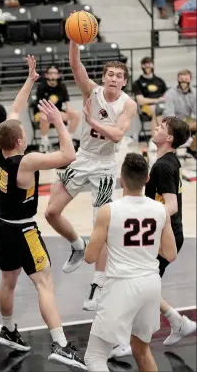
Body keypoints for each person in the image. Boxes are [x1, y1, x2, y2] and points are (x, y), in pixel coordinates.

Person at [0, 55, 86, 369]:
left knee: (8, 280)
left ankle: (8, 328)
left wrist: (30, 80)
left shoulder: (0, 148)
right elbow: (68, 155)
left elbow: (15, 111)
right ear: (20, 140)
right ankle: (61, 345)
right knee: (44, 283)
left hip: (1, 224)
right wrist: (60, 122)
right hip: (23, 228)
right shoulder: (25, 160)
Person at [45, 39, 137, 311]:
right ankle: (76, 244)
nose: (113, 78)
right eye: (110, 74)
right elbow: (75, 64)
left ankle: (98, 285)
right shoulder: (91, 91)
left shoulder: (127, 105)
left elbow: (118, 134)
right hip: (82, 156)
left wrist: (93, 121)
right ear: (104, 77)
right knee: (51, 212)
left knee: (103, 229)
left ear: (123, 82)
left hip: (106, 166)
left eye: (119, 76)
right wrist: (74, 40)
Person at [112, 116, 196, 359]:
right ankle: (178, 322)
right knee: (142, 287)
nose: (155, 127)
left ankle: (127, 340)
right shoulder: (164, 162)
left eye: (161, 127)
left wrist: (143, 214)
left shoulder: (163, 166)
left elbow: (171, 205)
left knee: (137, 287)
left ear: (169, 138)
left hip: (166, 237)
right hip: (162, 234)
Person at [84, 152, 177, 372]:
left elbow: (89, 256)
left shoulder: (109, 211)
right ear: (147, 179)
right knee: (141, 349)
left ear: (121, 178)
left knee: (95, 358)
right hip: (151, 285)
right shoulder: (160, 210)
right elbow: (170, 253)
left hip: (122, 285)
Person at [34, 65, 80, 152]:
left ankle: (68, 139)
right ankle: (44, 141)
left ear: (58, 75)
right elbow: (39, 105)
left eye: (55, 73)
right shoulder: (41, 87)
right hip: (42, 112)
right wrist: (48, 112)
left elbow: (68, 104)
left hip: (57, 112)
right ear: (46, 75)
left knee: (76, 114)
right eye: (50, 73)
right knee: (44, 115)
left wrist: (69, 110)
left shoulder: (62, 86)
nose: (53, 75)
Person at [132, 57, 167, 149]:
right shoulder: (137, 83)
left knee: (159, 108)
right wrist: (157, 100)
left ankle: (156, 138)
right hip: (146, 108)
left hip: (162, 107)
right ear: (141, 66)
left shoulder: (160, 81)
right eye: (145, 64)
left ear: (153, 65)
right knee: (155, 108)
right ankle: (158, 137)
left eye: (149, 64)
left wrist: (160, 101)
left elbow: (166, 96)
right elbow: (140, 100)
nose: (147, 66)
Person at [163, 69, 196, 159]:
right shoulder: (170, 93)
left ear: (190, 80)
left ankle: (192, 149)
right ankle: (172, 152)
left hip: (188, 119)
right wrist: (179, 124)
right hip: (174, 119)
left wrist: (191, 123)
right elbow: (169, 114)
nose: (184, 82)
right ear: (178, 79)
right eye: (181, 79)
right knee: (171, 126)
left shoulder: (195, 93)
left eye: (186, 79)